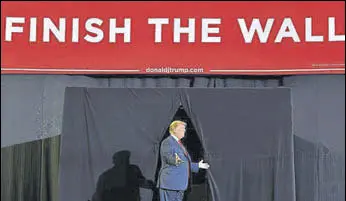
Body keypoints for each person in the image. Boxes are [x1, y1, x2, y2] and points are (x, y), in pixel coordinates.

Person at [157, 120, 210, 201]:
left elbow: (184, 163)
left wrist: (198, 165)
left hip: (179, 185)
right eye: (182, 129)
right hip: (171, 184)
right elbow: (169, 157)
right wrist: (175, 160)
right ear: (175, 130)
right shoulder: (167, 142)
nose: (185, 131)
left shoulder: (179, 143)